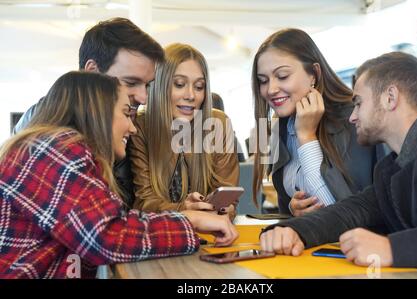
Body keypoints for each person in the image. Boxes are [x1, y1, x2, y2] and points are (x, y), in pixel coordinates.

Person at [0, 71, 238, 279]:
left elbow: (110, 223)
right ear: (97, 112)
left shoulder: (59, 150)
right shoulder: (54, 149)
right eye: (126, 113)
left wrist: (185, 216)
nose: (133, 127)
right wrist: (190, 220)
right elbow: (105, 236)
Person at [260, 51, 417, 269]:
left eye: (358, 103)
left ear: (390, 98)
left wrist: (391, 248)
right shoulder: (389, 171)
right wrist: (292, 231)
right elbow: (348, 213)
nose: (352, 116)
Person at [12, 17, 163, 208]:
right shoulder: (48, 136)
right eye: (131, 83)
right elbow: (98, 225)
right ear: (92, 71)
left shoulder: (127, 124)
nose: (143, 98)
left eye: (147, 85)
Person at [251, 28, 385, 216]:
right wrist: (293, 209)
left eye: (282, 76)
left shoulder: (353, 120)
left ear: (313, 74)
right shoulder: (282, 127)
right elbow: (288, 203)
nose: (271, 89)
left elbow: (347, 213)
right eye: (263, 81)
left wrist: (306, 136)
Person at [129, 43, 239, 219]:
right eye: (179, 84)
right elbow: (144, 202)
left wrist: (226, 208)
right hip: (162, 235)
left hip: (210, 233)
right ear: (160, 86)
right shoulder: (140, 126)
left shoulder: (217, 124)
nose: (191, 95)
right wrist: (183, 209)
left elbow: (227, 193)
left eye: (199, 86)